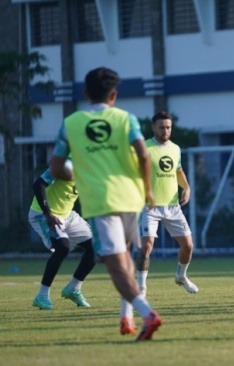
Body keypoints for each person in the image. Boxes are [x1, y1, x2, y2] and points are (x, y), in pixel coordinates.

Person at [50, 67, 162, 341]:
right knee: (123, 257)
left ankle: (147, 314)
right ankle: (126, 318)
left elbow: (55, 168)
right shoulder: (126, 119)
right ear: (114, 94)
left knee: (114, 264)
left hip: (101, 201)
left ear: (86, 93)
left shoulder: (71, 123)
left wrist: (74, 173)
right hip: (131, 196)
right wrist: (148, 189)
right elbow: (144, 157)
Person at [135, 111, 198, 295]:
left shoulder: (175, 149)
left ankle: (181, 276)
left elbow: (178, 171)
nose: (165, 130)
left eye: (168, 127)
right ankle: (141, 288)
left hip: (172, 206)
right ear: (153, 127)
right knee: (147, 247)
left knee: (188, 246)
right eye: (161, 127)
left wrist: (187, 188)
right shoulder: (144, 148)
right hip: (149, 206)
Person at [29, 159, 96, 310]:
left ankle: (73, 289)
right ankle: (42, 295)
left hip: (68, 216)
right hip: (43, 214)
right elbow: (37, 184)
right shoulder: (68, 163)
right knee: (63, 247)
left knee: (97, 248)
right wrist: (48, 214)